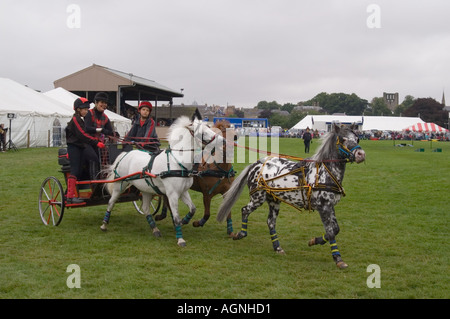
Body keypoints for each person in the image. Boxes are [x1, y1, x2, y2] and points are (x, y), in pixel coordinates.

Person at [65, 97, 105, 203]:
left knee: (92, 160)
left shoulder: (80, 120)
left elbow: (85, 133)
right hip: (74, 147)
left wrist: (96, 139)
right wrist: (96, 142)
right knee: (75, 170)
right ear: (78, 109)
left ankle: (94, 184)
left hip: (81, 146)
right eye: (85, 109)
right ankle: (69, 197)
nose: (86, 111)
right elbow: (82, 135)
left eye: (87, 109)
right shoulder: (75, 120)